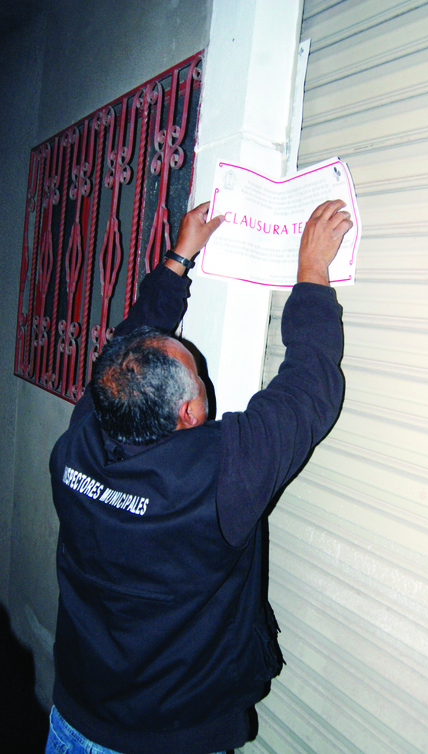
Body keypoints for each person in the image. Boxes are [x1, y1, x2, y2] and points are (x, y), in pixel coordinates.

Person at [46, 199, 353, 754]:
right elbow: (309, 388)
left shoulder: (80, 439)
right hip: (173, 740)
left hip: (75, 718)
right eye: (199, 378)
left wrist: (179, 257)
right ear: (189, 413)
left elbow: (128, 344)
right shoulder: (218, 475)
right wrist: (312, 270)